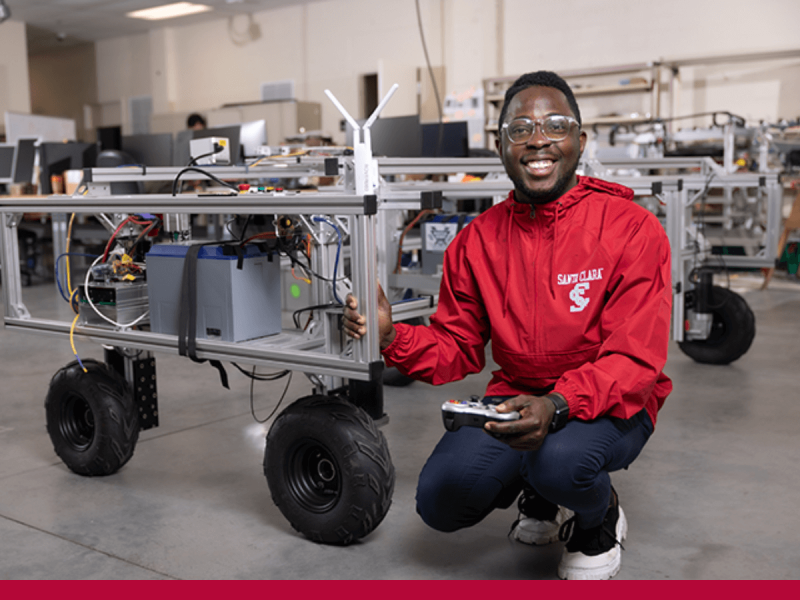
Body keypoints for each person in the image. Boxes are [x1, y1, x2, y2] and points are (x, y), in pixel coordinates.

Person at [342, 70, 672, 580]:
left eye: (555, 125)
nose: (538, 138)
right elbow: (457, 346)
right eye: (519, 129)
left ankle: (597, 515)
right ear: (501, 148)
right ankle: (541, 492)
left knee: (560, 461)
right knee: (441, 499)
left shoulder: (631, 228)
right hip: (516, 394)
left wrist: (558, 405)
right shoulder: (476, 243)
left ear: (579, 142)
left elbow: (635, 359)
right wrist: (390, 336)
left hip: (611, 402)